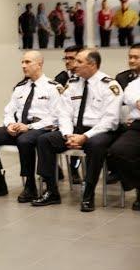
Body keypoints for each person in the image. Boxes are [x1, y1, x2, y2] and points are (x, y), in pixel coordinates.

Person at [32, 49, 122, 211]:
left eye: (79, 62)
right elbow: (63, 112)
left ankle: (88, 195)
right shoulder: (72, 84)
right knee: (44, 140)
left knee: (96, 145)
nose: (74, 65)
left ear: (92, 64)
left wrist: (85, 137)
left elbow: (111, 121)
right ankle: (52, 191)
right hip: (73, 131)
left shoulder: (109, 85)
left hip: (99, 131)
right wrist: (67, 134)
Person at [0, 51, 62, 202]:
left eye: (28, 62)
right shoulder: (20, 87)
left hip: (40, 129)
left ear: (39, 64)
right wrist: (9, 124)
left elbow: (55, 118)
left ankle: (30, 185)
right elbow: (9, 110)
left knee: (25, 140)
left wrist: (29, 126)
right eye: (22, 62)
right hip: (19, 128)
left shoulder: (53, 87)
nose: (23, 65)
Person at [106, 74, 140, 211]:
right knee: (119, 150)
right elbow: (128, 96)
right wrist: (137, 101)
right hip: (138, 126)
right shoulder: (135, 83)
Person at [107, 43, 140, 184]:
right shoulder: (127, 80)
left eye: (136, 57)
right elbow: (124, 98)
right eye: (130, 57)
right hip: (134, 124)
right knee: (118, 150)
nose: (131, 60)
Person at [54, 45, 84, 184]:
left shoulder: (86, 78)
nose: (67, 61)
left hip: (80, 120)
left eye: (71, 58)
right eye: (65, 58)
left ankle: (74, 169)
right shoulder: (60, 78)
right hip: (63, 119)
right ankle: (54, 168)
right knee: (44, 135)